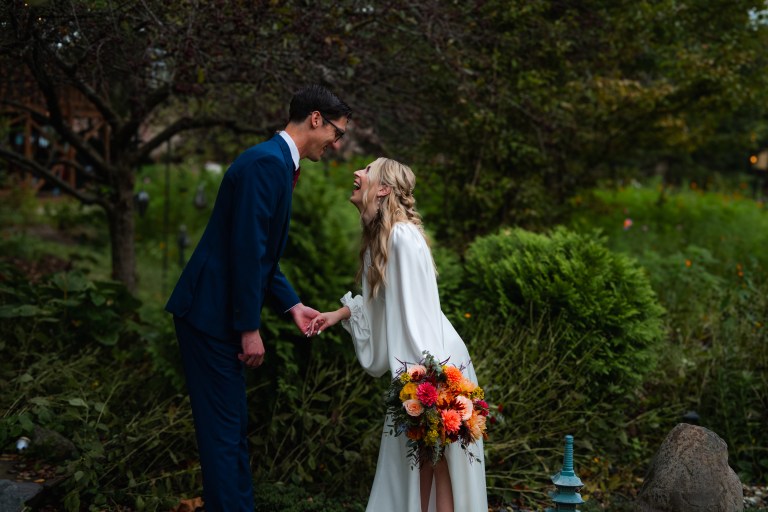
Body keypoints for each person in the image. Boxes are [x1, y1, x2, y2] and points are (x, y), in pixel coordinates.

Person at [165, 84, 352, 512]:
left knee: (229, 429)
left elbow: (261, 253)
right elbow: (247, 252)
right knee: (224, 433)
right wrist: (249, 328)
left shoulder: (274, 162)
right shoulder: (267, 164)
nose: (336, 144)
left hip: (216, 311)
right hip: (210, 314)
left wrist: (292, 304)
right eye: (337, 133)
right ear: (316, 118)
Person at [308, 158, 488, 512]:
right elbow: (382, 305)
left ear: (383, 189)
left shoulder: (403, 237)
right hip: (415, 363)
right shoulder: (380, 239)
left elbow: (419, 309)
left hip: (432, 359)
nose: (357, 173)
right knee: (419, 461)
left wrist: (429, 381)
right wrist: (338, 314)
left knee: (435, 458)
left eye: (366, 170)